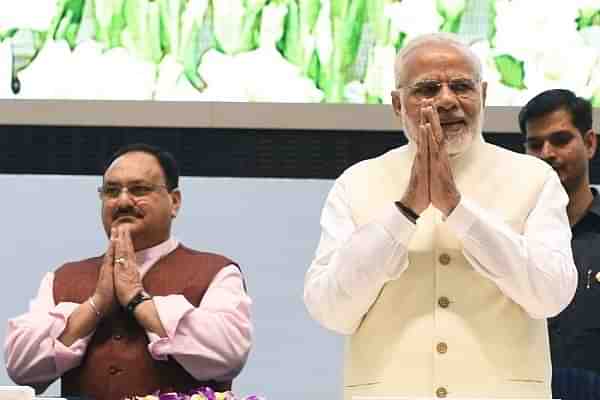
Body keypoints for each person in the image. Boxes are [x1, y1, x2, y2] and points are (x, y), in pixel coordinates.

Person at [303, 33, 578, 399]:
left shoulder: (534, 179)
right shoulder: (356, 183)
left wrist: (459, 211)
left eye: (462, 86)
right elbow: (331, 310)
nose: (447, 100)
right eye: (428, 89)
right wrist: (403, 213)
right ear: (398, 104)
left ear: (484, 95)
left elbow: (551, 295)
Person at [4, 143, 252, 400]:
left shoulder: (217, 272)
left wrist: (138, 301)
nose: (122, 201)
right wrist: (95, 305)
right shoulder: (62, 278)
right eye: (111, 191)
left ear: (174, 201)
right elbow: (21, 367)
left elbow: (227, 355)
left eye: (139, 189)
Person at [520, 89, 600, 399]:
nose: (547, 153)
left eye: (561, 140)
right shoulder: (509, 236)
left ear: (590, 143)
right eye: (535, 144)